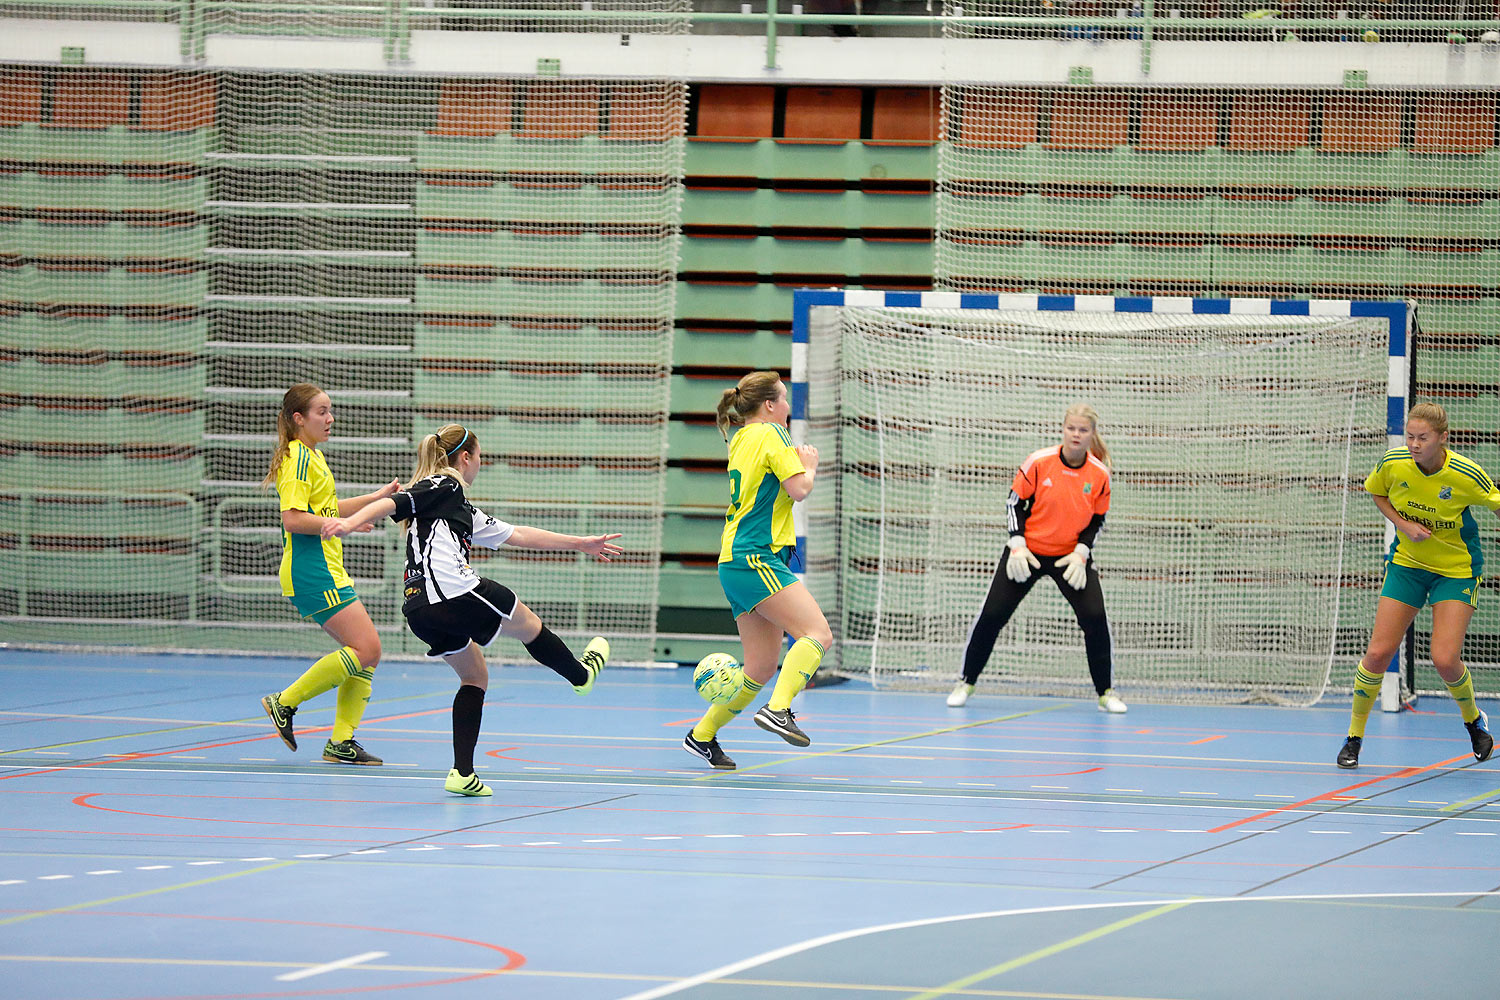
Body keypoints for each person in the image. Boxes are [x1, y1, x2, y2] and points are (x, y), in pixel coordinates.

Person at [321, 423, 621, 796]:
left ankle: (462, 773)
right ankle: (581, 676)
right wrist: (350, 523)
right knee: (528, 624)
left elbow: (520, 534)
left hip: (419, 609)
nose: (481, 463)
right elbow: (392, 503)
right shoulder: (444, 485)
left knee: (475, 677)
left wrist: (580, 543)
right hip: (453, 591)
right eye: (479, 457)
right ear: (465, 458)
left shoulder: (456, 507)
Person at [682, 371, 834, 770]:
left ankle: (701, 736)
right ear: (769, 405)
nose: (787, 407)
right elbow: (798, 489)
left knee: (762, 666)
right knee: (817, 633)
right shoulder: (772, 434)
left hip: (735, 560)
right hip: (755, 557)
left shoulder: (741, 437)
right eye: (783, 400)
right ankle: (778, 709)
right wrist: (810, 466)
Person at [1337, 403, 1500, 769]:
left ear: (1442, 438)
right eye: (1410, 436)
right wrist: (1402, 525)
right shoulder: (1394, 463)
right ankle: (1354, 738)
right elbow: (1377, 492)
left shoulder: (1464, 474)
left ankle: (1474, 723)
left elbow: (1496, 504)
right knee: (1377, 654)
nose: (1413, 444)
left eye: (1422, 438)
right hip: (1408, 565)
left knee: (1444, 659)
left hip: (1456, 571)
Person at [948, 404, 1124, 713]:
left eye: (1083, 430)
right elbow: (1014, 502)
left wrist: (1082, 554)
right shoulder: (1039, 462)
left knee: (1095, 618)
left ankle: (1105, 692)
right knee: (992, 615)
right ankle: (966, 681)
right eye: (1072, 428)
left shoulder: (1099, 475)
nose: (1076, 435)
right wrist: (1017, 544)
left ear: (1092, 434)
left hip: (1069, 559)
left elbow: (1098, 518)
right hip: (1026, 553)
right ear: (1063, 429)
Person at [259, 383, 401, 766]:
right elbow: (293, 519)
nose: (330, 418)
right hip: (312, 570)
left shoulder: (312, 456)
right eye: (322, 411)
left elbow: (327, 506)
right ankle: (284, 702)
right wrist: (348, 526)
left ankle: (341, 742)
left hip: (326, 568)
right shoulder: (298, 458)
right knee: (367, 649)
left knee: (366, 653)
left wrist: (372, 502)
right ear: (298, 419)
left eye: (330, 410)